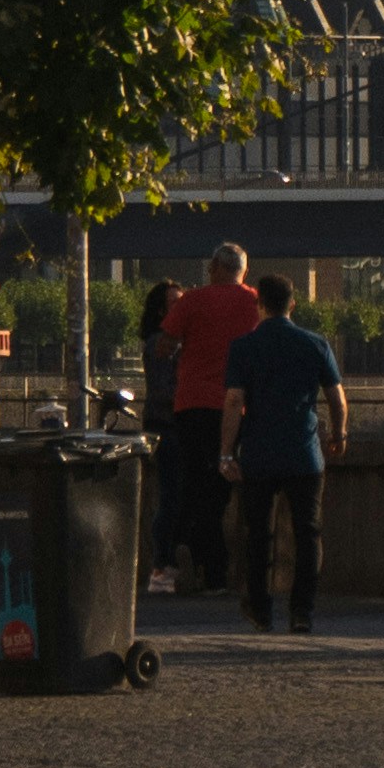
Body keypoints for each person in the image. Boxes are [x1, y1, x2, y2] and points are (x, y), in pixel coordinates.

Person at [218, 271, 348, 635]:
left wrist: (227, 453)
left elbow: (233, 400)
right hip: (305, 454)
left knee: (258, 534)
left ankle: (260, 609)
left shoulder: (244, 347)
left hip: (258, 454)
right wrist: (338, 433)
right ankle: (302, 612)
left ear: (259, 304)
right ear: (293, 303)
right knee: (308, 534)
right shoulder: (316, 344)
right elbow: (336, 398)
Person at [163, 242, 260, 594]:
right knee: (219, 488)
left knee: (194, 483)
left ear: (216, 267)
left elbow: (165, 343)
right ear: (243, 270)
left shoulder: (193, 300)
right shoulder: (255, 303)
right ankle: (207, 565)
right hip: (236, 409)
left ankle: (194, 557)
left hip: (192, 405)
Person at [138, 280, 184, 595]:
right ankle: (162, 565)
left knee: (174, 495)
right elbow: (161, 391)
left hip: (169, 424)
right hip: (167, 426)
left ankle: (166, 564)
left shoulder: (169, 342)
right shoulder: (161, 344)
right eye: (174, 304)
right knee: (171, 496)